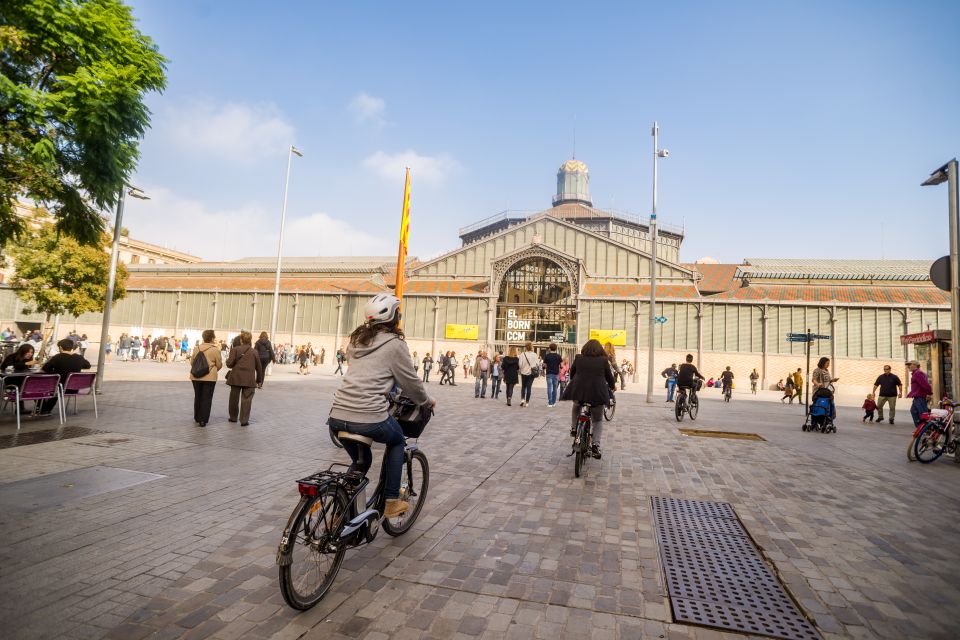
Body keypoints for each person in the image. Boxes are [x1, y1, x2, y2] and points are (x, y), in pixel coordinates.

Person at [327, 293, 434, 519]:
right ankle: (391, 502)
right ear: (394, 317)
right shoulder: (395, 345)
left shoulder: (357, 341)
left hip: (337, 415)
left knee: (361, 461)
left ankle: (343, 514)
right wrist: (426, 401)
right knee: (396, 440)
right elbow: (411, 382)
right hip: (368, 415)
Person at [563, 339, 616, 459]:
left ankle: (573, 428)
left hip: (580, 390)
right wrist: (613, 386)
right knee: (597, 420)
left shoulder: (578, 358)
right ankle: (596, 445)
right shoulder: (603, 360)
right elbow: (609, 377)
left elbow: (572, 374)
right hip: (597, 393)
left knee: (576, 405)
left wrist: (575, 382)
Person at [38, 338, 91, 415]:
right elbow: (87, 366)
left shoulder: (57, 357)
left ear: (60, 348)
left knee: (41, 387)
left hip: (60, 388)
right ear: (72, 348)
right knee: (58, 386)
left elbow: (45, 368)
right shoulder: (79, 357)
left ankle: (43, 409)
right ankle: (45, 409)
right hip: (74, 388)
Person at [225, 331, 263, 426]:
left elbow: (229, 364)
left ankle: (233, 417)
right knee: (247, 400)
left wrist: (227, 360)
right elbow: (259, 368)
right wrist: (259, 380)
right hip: (249, 380)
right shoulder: (254, 352)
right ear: (250, 340)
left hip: (236, 378)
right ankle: (244, 420)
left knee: (234, 399)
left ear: (241, 340)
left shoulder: (235, 350)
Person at [190, 329, 223, 427]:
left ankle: (197, 417)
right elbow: (219, 364)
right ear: (212, 338)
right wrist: (212, 370)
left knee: (198, 396)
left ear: (203, 337)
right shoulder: (215, 349)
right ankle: (203, 420)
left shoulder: (197, 348)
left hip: (196, 377)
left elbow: (192, 362)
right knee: (207, 398)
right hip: (210, 378)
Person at [2, 343, 36, 412]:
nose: (30, 354)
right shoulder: (11, 357)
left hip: (21, 380)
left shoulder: (27, 360)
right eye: (28, 352)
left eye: (32, 352)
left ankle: (40, 407)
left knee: (35, 383)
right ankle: (21, 409)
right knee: (25, 382)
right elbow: (8, 367)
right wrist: (25, 364)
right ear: (22, 351)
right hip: (9, 380)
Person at [906, 359, 932, 428]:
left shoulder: (918, 373)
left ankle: (926, 429)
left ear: (915, 365)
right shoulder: (916, 373)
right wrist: (911, 393)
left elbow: (925, 384)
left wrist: (929, 393)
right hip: (917, 397)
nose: (908, 366)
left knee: (922, 414)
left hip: (920, 397)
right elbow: (918, 386)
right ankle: (920, 428)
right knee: (913, 411)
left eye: (910, 365)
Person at [517, 342, 538, 407]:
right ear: (531, 347)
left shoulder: (522, 354)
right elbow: (537, 364)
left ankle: (522, 399)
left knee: (523, 386)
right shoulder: (535, 355)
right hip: (531, 373)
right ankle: (527, 402)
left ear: (525, 347)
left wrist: (522, 369)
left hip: (523, 372)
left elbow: (520, 364)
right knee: (529, 387)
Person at [543, 343, 563, 407]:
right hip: (556, 374)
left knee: (549, 388)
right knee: (555, 388)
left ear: (549, 348)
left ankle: (550, 403)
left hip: (549, 373)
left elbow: (544, 365)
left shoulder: (547, 356)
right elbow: (561, 366)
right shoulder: (558, 356)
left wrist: (544, 369)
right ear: (556, 348)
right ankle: (554, 402)